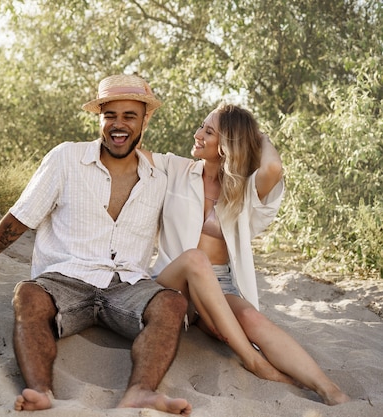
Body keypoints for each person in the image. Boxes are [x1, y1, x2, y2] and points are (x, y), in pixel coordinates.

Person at [0, 74, 192, 415]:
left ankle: (140, 392)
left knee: (171, 304)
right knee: (28, 294)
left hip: (126, 284)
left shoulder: (160, 177)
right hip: (64, 280)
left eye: (129, 116)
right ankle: (41, 391)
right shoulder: (66, 158)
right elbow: (21, 217)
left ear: (145, 119)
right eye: (110, 115)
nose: (118, 125)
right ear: (99, 117)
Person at [142, 104, 350, 405]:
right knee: (194, 259)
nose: (197, 134)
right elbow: (134, 152)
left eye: (208, 131)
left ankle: (329, 390)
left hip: (220, 285)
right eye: (202, 126)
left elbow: (273, 169)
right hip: (172, 283)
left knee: (251, 317)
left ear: (227, 145)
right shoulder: (176, 168)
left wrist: (256, 135)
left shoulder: (243, 188)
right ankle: (254, 361)